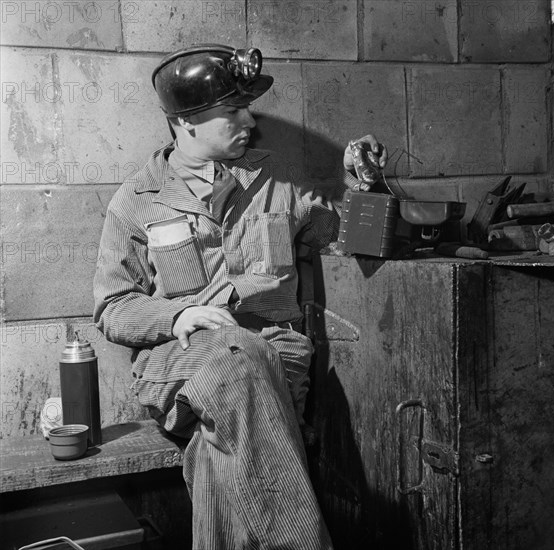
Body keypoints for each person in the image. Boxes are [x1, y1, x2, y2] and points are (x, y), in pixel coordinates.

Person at [93, 44, 387, 550]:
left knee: (218, 453)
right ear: (185, 122)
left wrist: (366, 186)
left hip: (278, 358)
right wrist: (177, 313)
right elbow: (112, 308)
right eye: (232, 110)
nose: (248, 118)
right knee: (237, 355)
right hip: (181, 366)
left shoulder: (279, 185)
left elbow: (346, 240)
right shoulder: (135, 202)